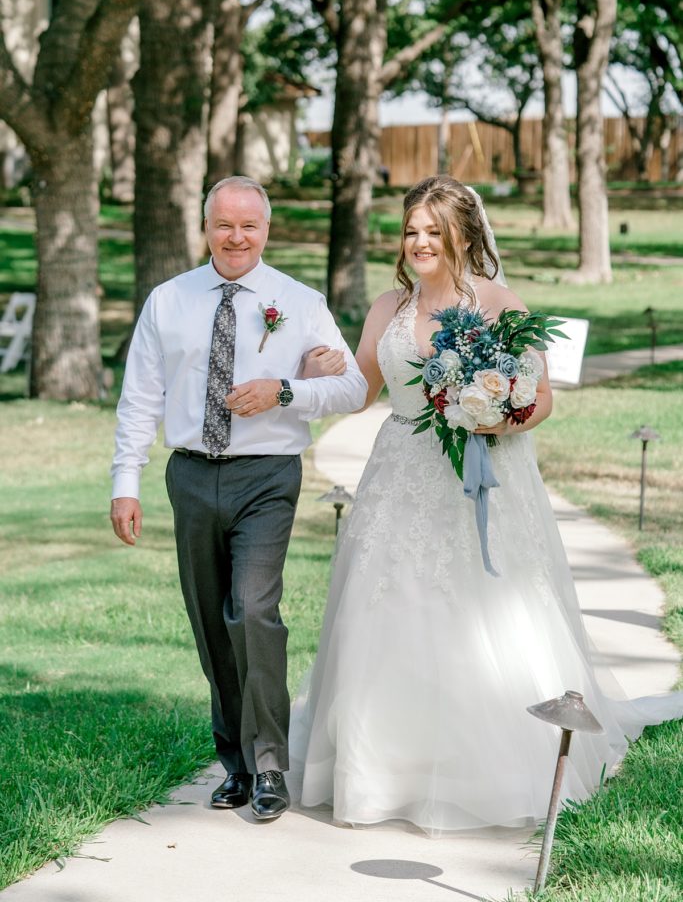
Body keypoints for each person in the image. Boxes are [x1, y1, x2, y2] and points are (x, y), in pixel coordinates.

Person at [290, 174, 683, 835]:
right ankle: (381, 771)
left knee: (476, 613)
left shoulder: (498, 302)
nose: (419, 242)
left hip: (478, 478)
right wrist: (311, 368)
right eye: (410, 231)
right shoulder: (388, 307)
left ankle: (487, 768)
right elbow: (361, 389)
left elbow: (541, 400)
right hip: (398, 475)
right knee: (383, 609)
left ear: (462, 236)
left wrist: (492, 416)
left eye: (432, 232)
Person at [110, 175, 367, 822]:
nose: (236, 237)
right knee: (209, 621)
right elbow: (140, 396)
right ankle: (236, 765)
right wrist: (125, 481)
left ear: (266, 230)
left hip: (266, 477)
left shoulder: (299, 302)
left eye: (248, 225)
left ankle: (271, 765)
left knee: (252, 611)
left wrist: (286, 390)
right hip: (191, 475)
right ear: (206, 227)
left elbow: (351, 387)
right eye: (224, 224)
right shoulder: (168, 301)